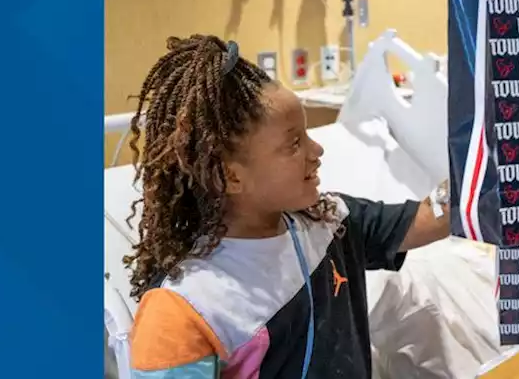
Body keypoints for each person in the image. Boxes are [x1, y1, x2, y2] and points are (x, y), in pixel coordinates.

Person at [122, 35, 450, 378]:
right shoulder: (186, 307)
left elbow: (427, 219)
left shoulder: (328, 222)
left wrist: (480, 166)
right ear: (230, 176)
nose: (316, 150)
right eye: (294, 143)